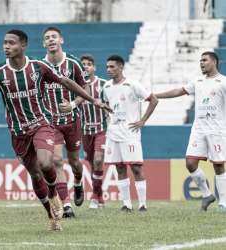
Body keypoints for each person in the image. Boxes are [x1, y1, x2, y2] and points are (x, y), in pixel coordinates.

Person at [0, 29, 112, 231]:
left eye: (12, 43)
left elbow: (66, 81)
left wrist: (93, 100)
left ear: (23, 46)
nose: (7, 46)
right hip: (18, 132)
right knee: (35, 175)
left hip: (42, 124)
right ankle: (51, 216)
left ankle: (53, 194)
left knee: (47, 162)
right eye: (5, 43)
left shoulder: (39, 67)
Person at [156, 52, 226, 212]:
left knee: (219, 166)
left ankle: (223, 202)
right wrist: (154, 95)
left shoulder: (223, 82)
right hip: (199, 130)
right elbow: (177, 91)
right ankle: (207, 195)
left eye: (204, 60)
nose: (201, 63)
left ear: (214, 62)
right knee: (190, 163)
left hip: (217, 130)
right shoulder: (198, 81)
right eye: (200, 60)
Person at [42, 26, 90, 218]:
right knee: (56, 161)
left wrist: (74, 103)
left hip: (72, 120)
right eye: (47, 38)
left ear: (61, 40)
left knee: (75, 162)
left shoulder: (73, 63)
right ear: (43, 43)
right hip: (51, 122)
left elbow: (85, 87)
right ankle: (66, 204)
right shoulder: (38, 65)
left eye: (54, 37)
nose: (51, 40)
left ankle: (78, 183)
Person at [103, 55, 158, 212]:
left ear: (120, 67)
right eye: (107, 67)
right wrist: (108, 117)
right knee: (119, 168)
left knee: (136, 168)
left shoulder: (133, 85)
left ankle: (142, 204)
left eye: (112, 67)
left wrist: (143, 121)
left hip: (130, 133)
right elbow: (108, 105)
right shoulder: (106, 87)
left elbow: (153, 99)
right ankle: (127, 204)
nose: (109, 70)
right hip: (113, 133)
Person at [79, 54, 108, 209]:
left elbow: (112, 103)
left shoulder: (103, 84)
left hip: (101, 129)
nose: (85, 66)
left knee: (98, 160)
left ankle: (93, 197)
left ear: (94, 67)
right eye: (83, 64)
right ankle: (100, 196)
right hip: (85, 131)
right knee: (92, 165)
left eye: (89, 64)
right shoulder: (75, 87)